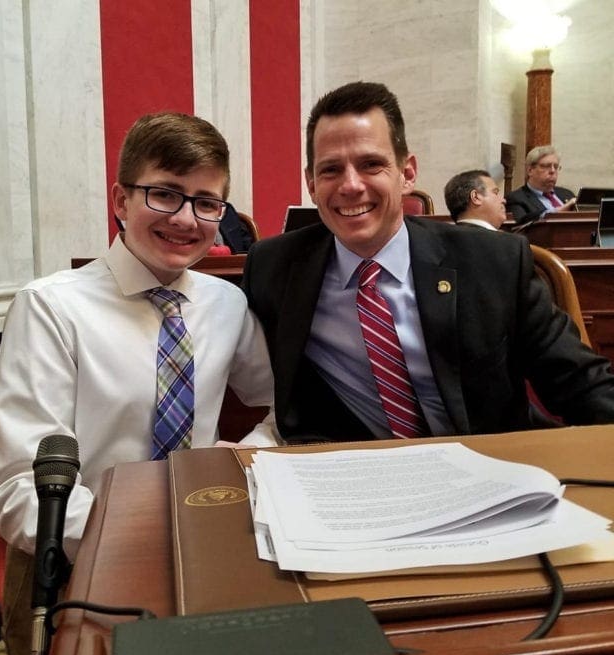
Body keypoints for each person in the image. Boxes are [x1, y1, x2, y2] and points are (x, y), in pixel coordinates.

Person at [0, 112, 279, 655]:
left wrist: (245, 459)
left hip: (197, 550)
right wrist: (156, 529)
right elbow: (15, 494)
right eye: (164, 194)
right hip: (70, 562)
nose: (187, 219)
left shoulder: (224, 304)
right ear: (120, 198)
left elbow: (277, 407)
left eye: (208, 203)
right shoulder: (51, 308)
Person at [242, 81, 614, 445]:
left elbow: (579, 382)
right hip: (365, 477)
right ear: (311, 183)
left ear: (407, 173)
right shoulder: (274, 267)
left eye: (371, 164)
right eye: (330, 170)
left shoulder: (493, 261)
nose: (350, 185)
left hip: (492, 467)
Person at [505, 145, 576, 224]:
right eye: (546, 166)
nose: (552, 171)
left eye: (556, 167)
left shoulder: (567, 194)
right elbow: (521, 225)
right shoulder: (516, 198)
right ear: (530, 170)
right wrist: (558, 211)